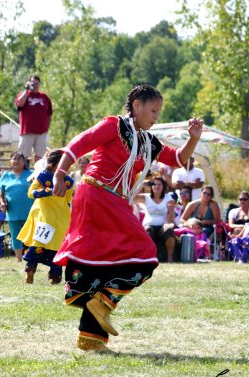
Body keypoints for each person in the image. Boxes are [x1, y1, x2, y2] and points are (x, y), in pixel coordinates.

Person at [51, 84, 203, 353]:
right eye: (153, 110)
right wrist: (60, 172)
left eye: (159, 112)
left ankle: (91, 340)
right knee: (144, 253)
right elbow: (79, 143)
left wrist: (193, 138)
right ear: (136, 106)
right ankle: (104, 302)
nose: (156, 117)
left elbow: (177, 159)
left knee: (106, 263)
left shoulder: (147, 142)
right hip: (97, 192)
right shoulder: (114, 126)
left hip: (112, 199)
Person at [17, 149, 74, 284]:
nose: (67, 167)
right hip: (43, 218)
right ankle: (30, 272)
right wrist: (47, 191)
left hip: (60, 219)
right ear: (54, 164)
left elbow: (67, 200)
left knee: (57, 248)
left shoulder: (69, 181)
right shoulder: (42, 177)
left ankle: (55, 277)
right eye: (65, 164)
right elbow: (31, 193)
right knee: (38, 245)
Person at [0, 152, 34, 261]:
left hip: (30, 210)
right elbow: (0, 193)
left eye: (19, 159)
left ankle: (32, 258)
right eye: (14, 159)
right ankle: (19, 259)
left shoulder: (31, 174)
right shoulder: (5, 176)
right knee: (15, 236)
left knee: (31, 234)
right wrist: (2, 203)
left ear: (24, 162)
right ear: (10, 161)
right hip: (12, 210)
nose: (16, 161)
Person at [135, 176, 176, 262]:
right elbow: (131, 197)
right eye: (154, 184)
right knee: (147, 230)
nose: (157, 186)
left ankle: (170, 257)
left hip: (163, 226)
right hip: (149, 225)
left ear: (163, 186)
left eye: (159, 184)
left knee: (169, 230)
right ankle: (147, 257)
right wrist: (141, 184)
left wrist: (167, 223)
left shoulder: (168, 198)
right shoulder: (146, 197)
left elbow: (171, 213)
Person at [15, 75, 53, 163]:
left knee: (40, 157)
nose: (35, 85)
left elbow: (49, 114)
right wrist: (26, 90)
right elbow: (19, 104)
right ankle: (23, 172)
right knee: (22, 155)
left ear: (39, 84)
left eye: (36, 83)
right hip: (27, 131)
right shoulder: (24, 95)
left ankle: (37, 175)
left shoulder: (44, 97)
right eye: (32, 83)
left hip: (41, 133)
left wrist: (47, 128)